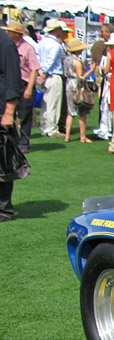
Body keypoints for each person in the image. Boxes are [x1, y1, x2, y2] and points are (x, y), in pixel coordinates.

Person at [4, 21, 37, 153]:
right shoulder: (7, 46)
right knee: (9, 113)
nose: (7, 33)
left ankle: (24, 143)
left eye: (9, 31)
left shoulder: (28, 48)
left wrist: (29, 87)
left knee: (25, 114)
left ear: (16, 34)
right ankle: (12, 141)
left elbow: (34, 69)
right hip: (10, 83)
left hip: (24, 83)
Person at [1, 26, 22, 221]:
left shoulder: (5, 44)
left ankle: (3, 210)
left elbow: (13, 81)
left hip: (1, 112)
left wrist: (9, 112)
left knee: (3, 162)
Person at [36, 18, 67, 137]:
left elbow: (38, 57)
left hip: (44, 74)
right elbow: (51, 61)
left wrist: (40, 72)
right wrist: (44, 71)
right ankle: (51, 129)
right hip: (53, 74)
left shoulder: (42, 42)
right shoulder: (55, 44)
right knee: (53, 103)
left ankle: (44, 127)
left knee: (45, 102)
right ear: (57, 30)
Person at [62, 37, 93, 143]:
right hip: (76, 84)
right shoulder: (77, 61)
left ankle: (67, 135)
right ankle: (83, 136)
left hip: (68, 83)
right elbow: (81, 77)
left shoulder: (66, 59)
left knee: (70, 112)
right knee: (81, 110)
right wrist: (91, 70)